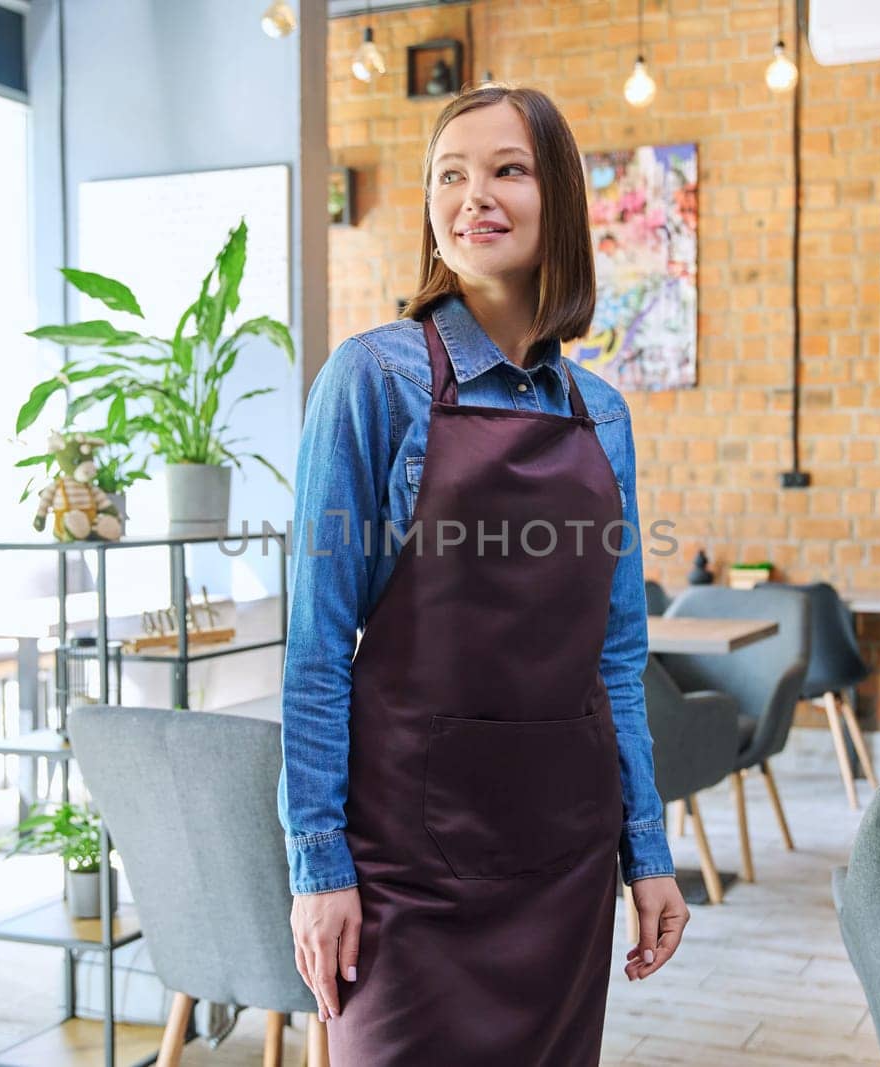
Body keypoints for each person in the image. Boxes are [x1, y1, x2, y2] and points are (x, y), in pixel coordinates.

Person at [278, 83, 687, 1066]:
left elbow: (616, 660)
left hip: (563, 858)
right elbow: (318, 649)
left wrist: (648, 852)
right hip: (403, 867)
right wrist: (318, 865)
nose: (474, 197)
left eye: (507, 169)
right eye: (450, 175)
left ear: (557, 201)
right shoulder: (373, 381)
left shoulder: (603, 414)